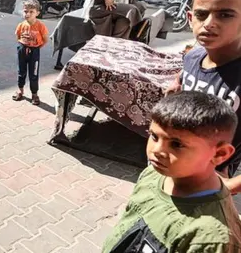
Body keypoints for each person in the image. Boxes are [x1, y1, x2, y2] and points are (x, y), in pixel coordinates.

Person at [103, 91, 241, 252]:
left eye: (176, 144)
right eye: (154, 136)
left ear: (219, 154)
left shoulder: (210, 238)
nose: (157, 150)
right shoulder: (153, 175)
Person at [165, 0, 241, 195]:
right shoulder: (193, 56)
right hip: (174, 165)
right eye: (201, 14)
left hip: (210, 182)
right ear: (190, 18)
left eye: (225, 15)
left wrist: (229, 187)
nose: (209, 24)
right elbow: (187, 73)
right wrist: (176, 82)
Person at [12, 0, 48, 105]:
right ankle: (20, 89)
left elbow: (45, 39)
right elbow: (18, 36)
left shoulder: (41, 26)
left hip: (34, 51)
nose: (27, 14)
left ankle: (34, 93)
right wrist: (23, 45)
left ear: (37, 13)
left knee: (34, 73)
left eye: (31, 12)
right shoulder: (21, 25)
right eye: (25, 11)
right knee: (21, 71)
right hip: (22, 49)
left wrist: (36, 48)